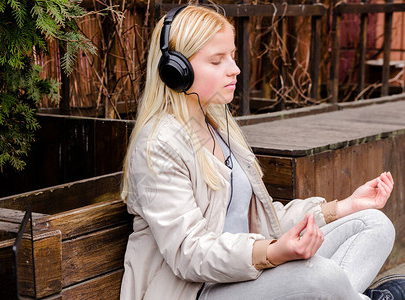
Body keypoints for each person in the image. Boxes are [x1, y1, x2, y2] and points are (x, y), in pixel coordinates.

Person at [120, 3, 396, 299]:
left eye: (233, 57)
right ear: (177, 70)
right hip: (196, 290)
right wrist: (273, 252)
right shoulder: (158, 145)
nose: (235, 69)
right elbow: (190, 253)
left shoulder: (217, 124)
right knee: (318, 276)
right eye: (217, 61)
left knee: (373, 224)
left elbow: (262, 221)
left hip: (247, 272)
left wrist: (345, 207)